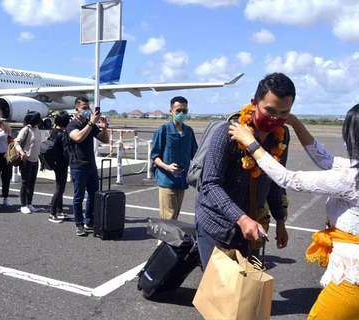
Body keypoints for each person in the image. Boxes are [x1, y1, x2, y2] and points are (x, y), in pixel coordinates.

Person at [229, 107, 359, 320]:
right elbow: (326, 160)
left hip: (352, 280)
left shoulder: (351, 179)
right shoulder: (353, 172)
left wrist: (251, 142)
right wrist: (295, 123)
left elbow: (287, 179)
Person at [195, 72, 293, 269]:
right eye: (270, 111)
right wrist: (241, 218)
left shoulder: (281, 137)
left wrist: (280, 221)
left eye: (284, 114)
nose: (275, 119)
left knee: (246, 292)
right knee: (220, 293)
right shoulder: (227, 133)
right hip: (217, 225)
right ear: (254, 103)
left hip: (251, 228)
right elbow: (210, 184)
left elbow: (274, 180)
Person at [66, 97, 109, 236]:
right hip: (78, 165)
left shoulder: (91, 125)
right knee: (78, 197)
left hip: (91, 165)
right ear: (77, 109)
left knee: (93, 195)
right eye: (84, 108)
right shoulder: (72, 125)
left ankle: (89, 220)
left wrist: (104, 128)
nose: (86, 110)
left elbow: (104, 139)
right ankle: (79, 224)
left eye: (87, 107)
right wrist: (91, 122)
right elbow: (78, 137)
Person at [151, 96, 198, 221]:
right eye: (178, 111)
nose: (181, 113)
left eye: (184, 111)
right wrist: (167, 167)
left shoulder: (188, 132)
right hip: (167, 180)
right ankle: (164, 241)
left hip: (181, 181)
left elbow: (196, 154)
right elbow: (155, 156)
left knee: (175, 216)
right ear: (171, 111)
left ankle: (167, 240)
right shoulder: (163, 130)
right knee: (168, 217)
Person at [14, 112, 42, 214]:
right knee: (25, 183)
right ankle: (23, 205)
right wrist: (22, 152)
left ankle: (29, 203)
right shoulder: (26, 129)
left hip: (35, 160)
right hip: (26, 159)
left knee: (32, 183)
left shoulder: (37, 129)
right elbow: (16, 142)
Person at [46, 111, 71, 223]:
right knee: (60, 188)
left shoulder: (53, 131)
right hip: (62, 163)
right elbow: (66, 150)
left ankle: (59, 210)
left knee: (59, 187)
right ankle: (52, 213)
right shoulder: (62, 134)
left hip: (55, 162)